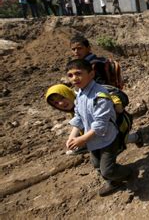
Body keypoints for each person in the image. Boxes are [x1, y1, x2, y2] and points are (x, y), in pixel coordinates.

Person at [65, 59, 134, 196]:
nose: (74, 78)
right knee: (97, 165)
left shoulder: (100, 95)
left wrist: (82, 139)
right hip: (93, 140)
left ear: (91, 74)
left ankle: (129, 172)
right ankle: (114, 181)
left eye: (78, 73)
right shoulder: (80, 94)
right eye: (70, 75)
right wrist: (72, 137)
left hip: (107, 138)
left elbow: (100, 125)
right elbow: (78, 117)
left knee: (108, 170)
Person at [45, 84, 143, 155]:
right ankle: (135, 137)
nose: (61, 104)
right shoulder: (74, 107)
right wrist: (72, 138)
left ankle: (136, 137)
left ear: (67, 93)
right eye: (56, 103)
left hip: (117, 124)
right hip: (103, 130)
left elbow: (106, 98)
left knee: (113, 142)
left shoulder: (86, 97)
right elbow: (79, 121)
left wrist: (117, 104)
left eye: (62, 98)